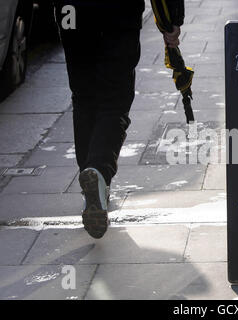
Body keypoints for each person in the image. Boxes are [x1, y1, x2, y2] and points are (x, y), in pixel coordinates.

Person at [52, 0, 185, 239]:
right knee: (115, 100)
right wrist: (170, 19)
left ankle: (93, 186)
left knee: (83, 97)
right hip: (117, 13)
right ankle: (98, 172)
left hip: (70, 12)